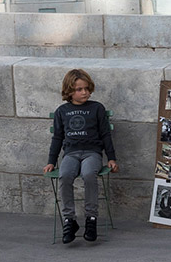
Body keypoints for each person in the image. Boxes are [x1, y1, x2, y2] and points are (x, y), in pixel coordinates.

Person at [44, 69, 119, 243]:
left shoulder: (97, 108)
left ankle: (91, 218)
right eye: (79, 89)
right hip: (70, 154)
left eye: (86, 88)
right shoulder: (62, 111)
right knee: (65, 175)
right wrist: (50, 162)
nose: (84, 92)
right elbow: (57, 138)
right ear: (69, 91)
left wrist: (112, 158)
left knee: (88, 174)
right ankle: (69, 220)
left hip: (92, 153)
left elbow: (106, 135)